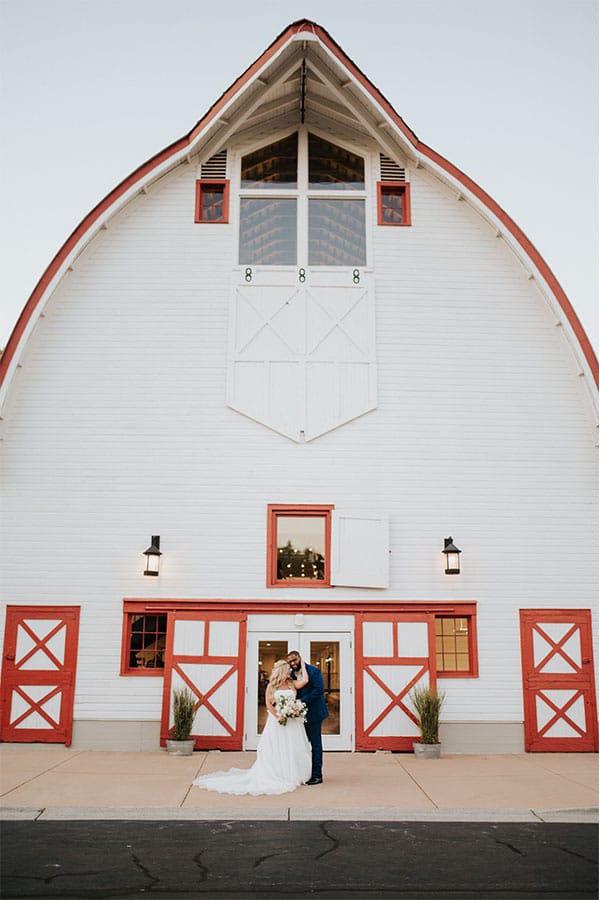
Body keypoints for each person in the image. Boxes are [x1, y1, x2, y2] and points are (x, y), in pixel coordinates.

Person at [192, 659, 311, 795]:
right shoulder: (272, 686)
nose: (290, 672)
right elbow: (269, 705)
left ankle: (293, 773)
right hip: (278, 721)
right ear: (282, 671)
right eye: (288, 670)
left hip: (293, 723)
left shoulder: (291, 684)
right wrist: (279, 716)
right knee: (277, 747)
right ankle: (279, 773)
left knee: (292, 746)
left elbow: (305, 681)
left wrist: (303, 665)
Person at [287, 650, 328, 785]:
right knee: (301, 744)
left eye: (294, 660)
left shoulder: (314, 671)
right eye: (290, 661)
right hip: (297, 715)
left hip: (314, 713)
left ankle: (317, 775)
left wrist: (301, 701)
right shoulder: (291, 674)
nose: (292, 663)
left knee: (315, 745)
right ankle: (303, 773)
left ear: (300, 658)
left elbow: (319, 690)